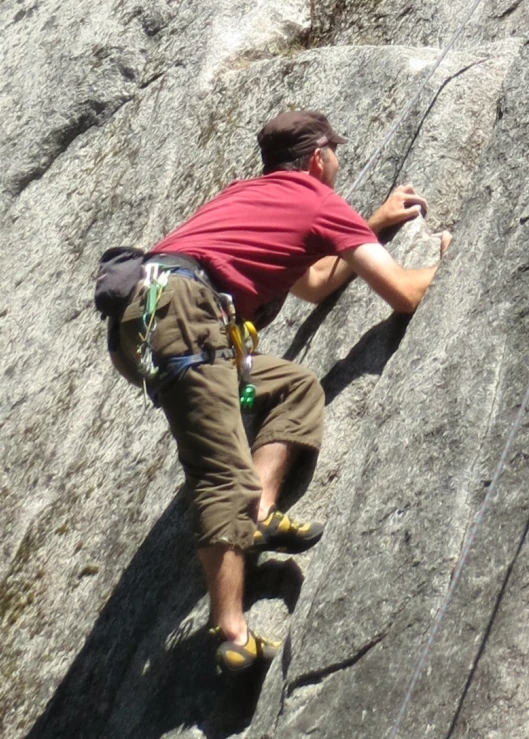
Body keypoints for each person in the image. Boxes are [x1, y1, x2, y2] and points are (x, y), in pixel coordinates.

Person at [112, 107, 450, 677]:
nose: (337, 163)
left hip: (147, 319)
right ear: (319, 159)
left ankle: (262, 512)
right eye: (334, 154)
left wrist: (372, 224)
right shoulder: (317, 199)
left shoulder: (248, 196)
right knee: (219, 472)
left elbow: (314, 284)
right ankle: (233, 634)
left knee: (293, 387)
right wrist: (446, 262)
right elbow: (403, 295)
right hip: (186, 314)